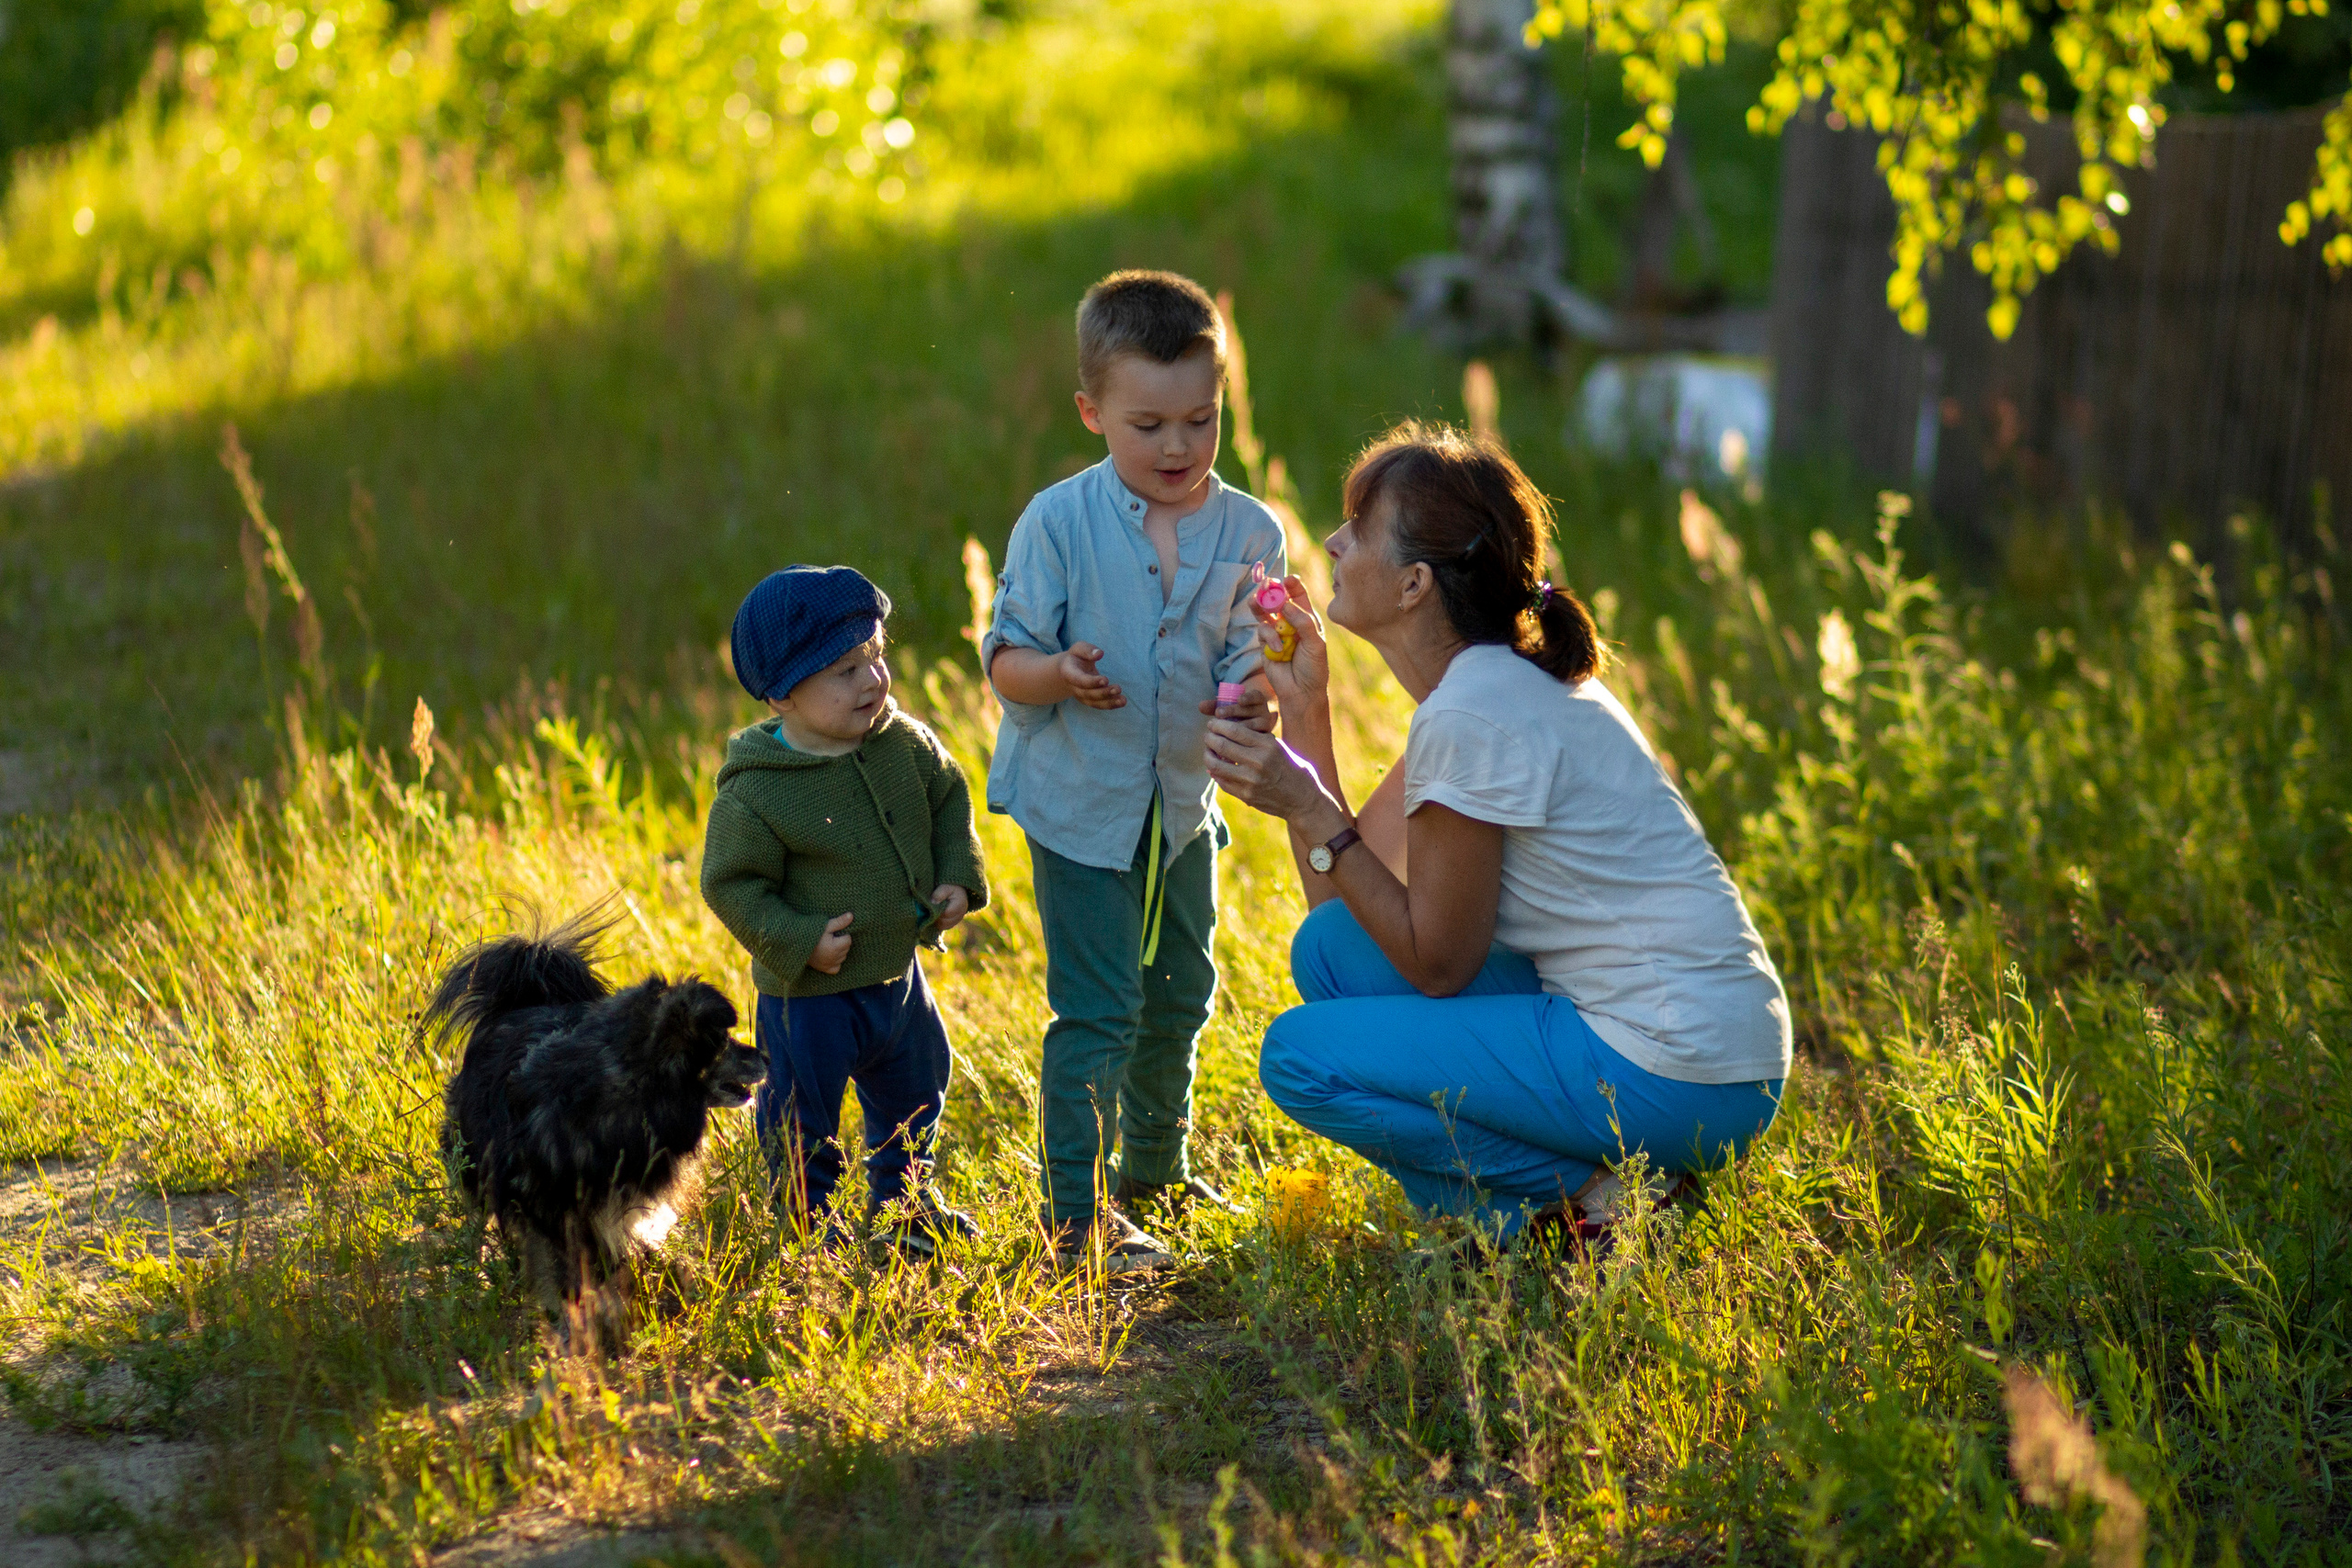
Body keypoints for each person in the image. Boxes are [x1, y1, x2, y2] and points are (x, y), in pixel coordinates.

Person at [1204, 424, 1791, 1256]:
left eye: (1359, 529)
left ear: (1413, 583)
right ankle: (1583, 1197)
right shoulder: (1489, 687)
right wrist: (1307, 713)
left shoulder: (1471, 712)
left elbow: (1437, 961)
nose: (1333, 541)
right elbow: (1345, 904)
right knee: (1329, 952)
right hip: (1712, 1056)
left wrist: (1304, 800)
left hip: (1678, 1070)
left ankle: (1593, 1200)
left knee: (1300, 1058)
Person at [982, 270, 1286, 1273]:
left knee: (1183, 991)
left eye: (1200, 421)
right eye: (1147, 423)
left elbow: (1253, 650)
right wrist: (1058, 675)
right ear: (1091, 413)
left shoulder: (1249, 531)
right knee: (1100, 1004)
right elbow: (1005, 664)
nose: (1176, 447)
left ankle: (1154, 1169)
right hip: (1082, 804)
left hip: (1183, 804)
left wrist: (1255, 689)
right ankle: (1075, 1215)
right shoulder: (1057, 524)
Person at [700, 565, 990, 1260]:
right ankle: (807, 1221)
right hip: (811, 996)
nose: (872, 681)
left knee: (918, 1087)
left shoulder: (904, 744)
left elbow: (950, 800)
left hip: (897, 976)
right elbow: (730, 884)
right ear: (781, 694)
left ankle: (908, 1204)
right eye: (844, 670)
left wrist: (957, 875)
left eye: (876, 657)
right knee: (802, 1114)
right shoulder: (760, 791)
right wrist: (800, 939)